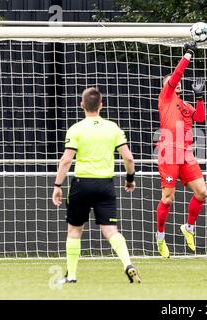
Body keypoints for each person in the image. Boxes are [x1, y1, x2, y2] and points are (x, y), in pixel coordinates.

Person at [52, 87, 141, 284]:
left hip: (81, 185)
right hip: (105, 185)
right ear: (101, 105)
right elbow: (128, 157)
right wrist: (129, 179)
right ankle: (128, 264)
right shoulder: (113, 128)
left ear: (82, 105)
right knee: (111, 230)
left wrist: (58, 185)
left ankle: (72, 276)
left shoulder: (76, 128)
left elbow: (66, 161)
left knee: (74, 230)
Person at [155, 42, 207, 258]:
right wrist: (187, 55)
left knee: (202, 193)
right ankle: (160, 238)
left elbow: (201, 118)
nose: (177, 84)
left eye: (177, 83)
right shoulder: (165, 98)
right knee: (167, 199)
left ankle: (189, 227)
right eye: (172, 82)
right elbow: (176, 75)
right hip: (168, 150)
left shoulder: (185, 105)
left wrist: (199, 97)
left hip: (185, 153)